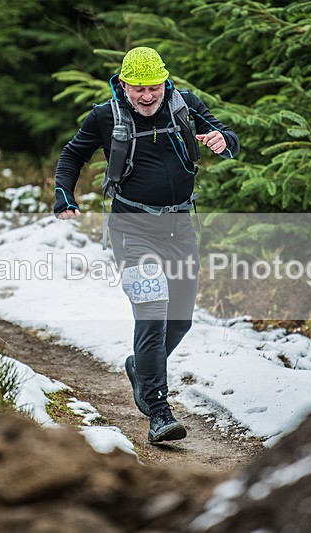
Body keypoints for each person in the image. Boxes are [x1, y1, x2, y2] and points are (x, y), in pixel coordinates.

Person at [53, 47, 240, 443]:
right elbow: (73, 154)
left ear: (164, 82)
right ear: (123, 85)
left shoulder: (185, 104)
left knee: (181, 320)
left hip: (179, 228)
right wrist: (63, 195)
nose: (147, 97)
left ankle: (141, 367)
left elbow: (229, 137)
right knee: (152, 313)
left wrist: (224, 142)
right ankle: (159, 412)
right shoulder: (105, 116)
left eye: (154, 87)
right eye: (138, 89)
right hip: (131, 229)